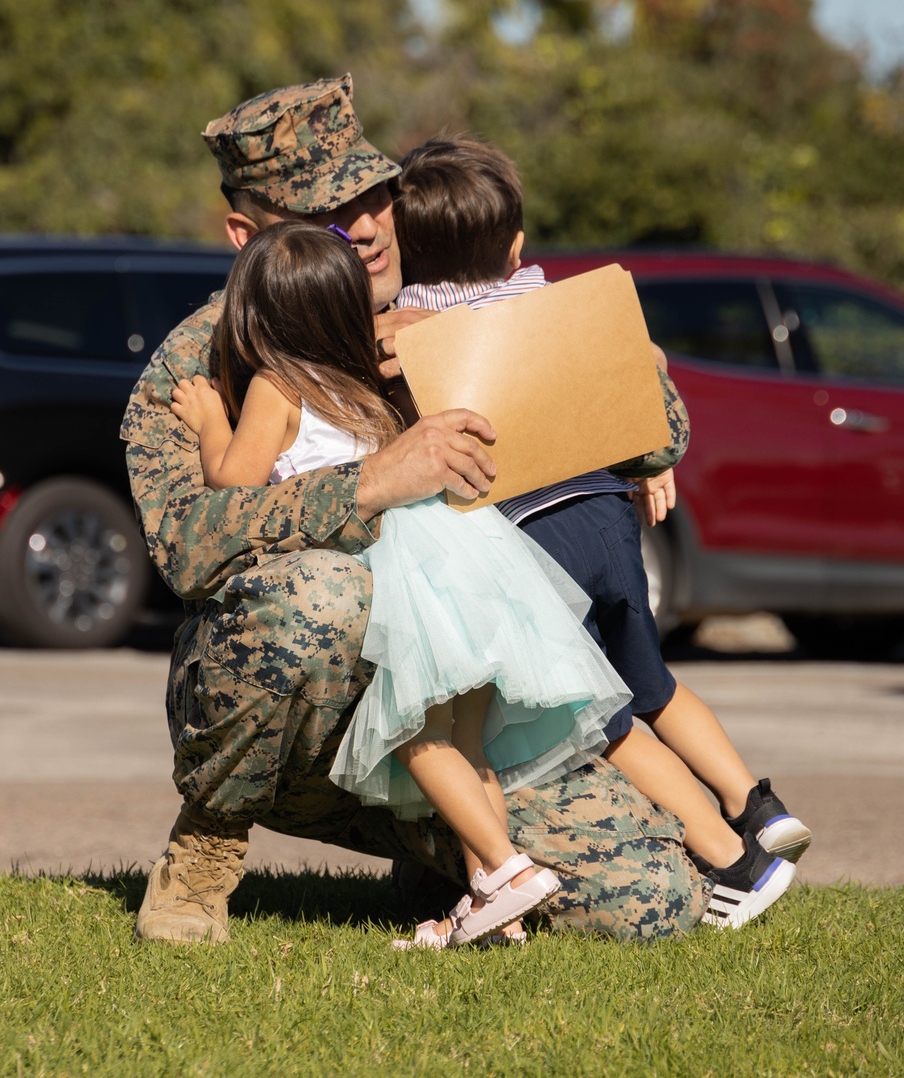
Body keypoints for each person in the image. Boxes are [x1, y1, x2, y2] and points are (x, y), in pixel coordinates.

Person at [124, 73, 709, 947]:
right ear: (246, 235)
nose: (362, 227)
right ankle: (206, 850)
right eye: (323, 216)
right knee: (317, 600)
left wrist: (623, 352)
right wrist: (370, 481)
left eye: (374, 196)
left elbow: (655, 430)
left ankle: (440, 854)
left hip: (467, 713)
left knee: (654, 902)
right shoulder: (202, 362)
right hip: (307, 720)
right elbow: (188, 549)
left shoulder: (450, 302)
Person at [383, 135, 810, 925]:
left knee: (607, 724)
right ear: (517, 247)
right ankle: (755, 802)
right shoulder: (555, 300)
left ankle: (736, 866)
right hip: (611, 519)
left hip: (536, 541)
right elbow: (640, 354)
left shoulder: (413, 327)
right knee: (655, 686)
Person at [169, 220, 633, 947]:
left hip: (409, 584)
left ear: (255, 320)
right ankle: (488, 897)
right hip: (471, 568)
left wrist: (206, 423)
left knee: (419, 736)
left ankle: (509, 873)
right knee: (471, 745)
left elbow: (235, 483)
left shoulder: (277, 385)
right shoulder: (370, 389)